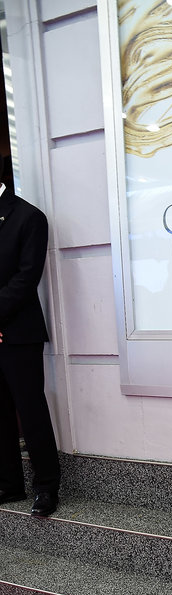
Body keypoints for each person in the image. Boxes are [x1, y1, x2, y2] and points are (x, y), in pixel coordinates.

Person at [0, 153, 60, 516]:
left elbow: (26, 279)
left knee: (30, 409)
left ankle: (47, 488)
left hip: (18, 332)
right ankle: (9, 484)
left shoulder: (28, 217)